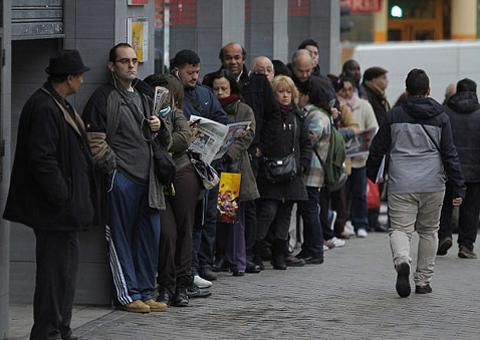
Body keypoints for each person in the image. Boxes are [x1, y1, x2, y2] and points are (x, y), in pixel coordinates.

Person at [3, 50, 96, 339]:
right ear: (69, 78)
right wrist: (64, 196)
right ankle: (47, 332)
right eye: (80, 76)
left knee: (64, 275)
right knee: (54, 276)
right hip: (54, 212)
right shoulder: (44, 107)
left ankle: (60, 328)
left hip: (64, 212)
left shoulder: (58, 104)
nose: (82, 81)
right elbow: (42, 160)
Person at [83, 43, 171, 313]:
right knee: (120, 238)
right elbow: (94, 141)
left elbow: (165, 140)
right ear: (112, 66)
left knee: (149, 238)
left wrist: (159, 125)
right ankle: (128, 294)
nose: (131, 65)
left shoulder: (145, 95)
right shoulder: (103, 97)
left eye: (134, 60)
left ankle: (146, 291)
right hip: (122, 179)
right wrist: (114, 169)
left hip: (150, 181)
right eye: (124, 61)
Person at [367, 68, 465, 297]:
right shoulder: (441, 117)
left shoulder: (394, 116)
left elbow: (378, 147)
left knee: (400, 229)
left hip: (401, 182)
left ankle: (402, 261)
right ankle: (423, 281)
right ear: (429, 90)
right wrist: (458, 185)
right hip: (433, 183)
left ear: (407, 91)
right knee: (430, 231)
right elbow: (450, 153)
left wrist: (372, 175)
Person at [203, 42, 280, 273]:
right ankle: (224, 255)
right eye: (229, 58)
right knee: (224, 210)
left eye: (237, 57)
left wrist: (260, 148)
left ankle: (248, 254)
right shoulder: (211, 81)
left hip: (247, 158)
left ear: (244, 58)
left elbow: (269, 117)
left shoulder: (257, 82)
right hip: (217, 162)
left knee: (248, 209)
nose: (233, 62)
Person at [142, 73, 202, 306]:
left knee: (185, 228)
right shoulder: (143, 115)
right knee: (167, 233)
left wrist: (162, 130)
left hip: (182, 173)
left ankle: (183, 284)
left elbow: (182, 141)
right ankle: (166, 285)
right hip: (157, 179)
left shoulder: (176, 115)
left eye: (164, 94)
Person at [170, 49, 229, 287]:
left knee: (205, 218)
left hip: (206, 166)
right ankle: (184, 271)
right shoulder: (172, 94)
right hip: (182, 166)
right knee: (185, 221)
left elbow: (222, 119)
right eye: (189, 73)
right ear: (177, 71)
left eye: (197, 72)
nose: (195, 77)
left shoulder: (205, 93)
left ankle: (198, 265)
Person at [255, 75, 312, 270]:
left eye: (288, 92)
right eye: (280, 91)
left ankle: (279, 254)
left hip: (291, 174)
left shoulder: (297, 116)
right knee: (268, 212)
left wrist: (303, 163)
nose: (285, 95)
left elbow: (305, 143)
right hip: (270, 174)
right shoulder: (268, 115)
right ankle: (256, 250)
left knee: (285, 215)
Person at [211, 70, 259, 276]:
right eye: (216, 89)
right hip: (212, 170)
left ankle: (237, 261)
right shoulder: (208, 108)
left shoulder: (244, 110)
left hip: (233, 170)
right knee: (217, 218)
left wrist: (227, 153)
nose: (220, 93)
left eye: (224, 88)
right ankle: (220, 258)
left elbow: (247, 137)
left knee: (233, 217)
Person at [438, 78, 480, 259]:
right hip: (475, 170)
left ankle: (443, 236)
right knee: (470, 208)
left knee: (445, 204)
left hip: (449, 168)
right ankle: (466, 245)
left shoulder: (445, 112)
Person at [338, 76, 378, 238]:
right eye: (343, 89)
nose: (347, 93)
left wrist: (367, 140)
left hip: (360, 159)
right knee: (343, 194)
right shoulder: (338, 106)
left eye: (349, 89)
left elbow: (373, 128)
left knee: (360, 193)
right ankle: (345, 221)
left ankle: (361, 222)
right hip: (343, 160)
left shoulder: (364, 106)